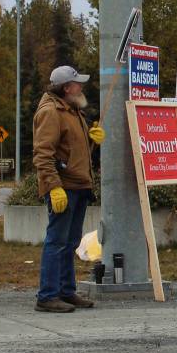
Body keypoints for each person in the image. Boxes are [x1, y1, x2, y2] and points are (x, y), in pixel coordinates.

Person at [32, 65, 106, 313]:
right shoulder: (51, 112)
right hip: (64, 188)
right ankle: (47, 296)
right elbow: (43, 154)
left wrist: (90, 141)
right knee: (56, 241)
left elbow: (70, 150)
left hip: (78, 185)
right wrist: (54, 187)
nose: (81, 87)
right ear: (66, 88)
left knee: (70, 240)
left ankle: (65, 291)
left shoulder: (72, 111)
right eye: (77, 83)